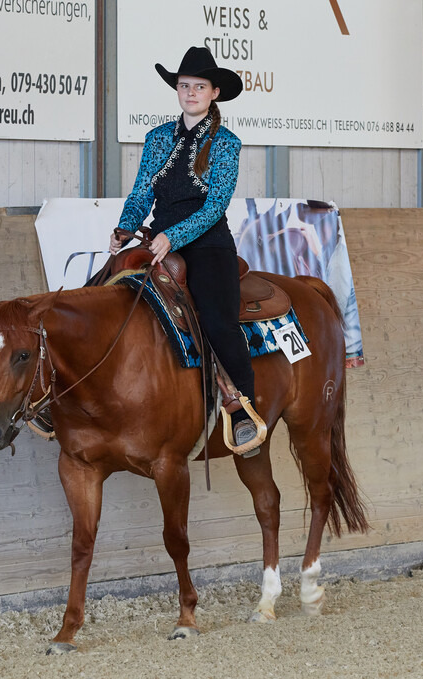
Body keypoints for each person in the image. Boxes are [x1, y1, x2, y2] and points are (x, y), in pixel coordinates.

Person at [110, 46, 262, 454]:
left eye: (198, 86)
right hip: (157, 240)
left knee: (217, 318)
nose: (190, 92)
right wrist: (126, 227)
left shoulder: (226, 143)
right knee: (103, 288)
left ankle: (245, 412)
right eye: (184, 85)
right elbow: (143, 190)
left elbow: (215, 206)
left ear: (214, 93)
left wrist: (173, 237)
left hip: (206, 242)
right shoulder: (158, 138)